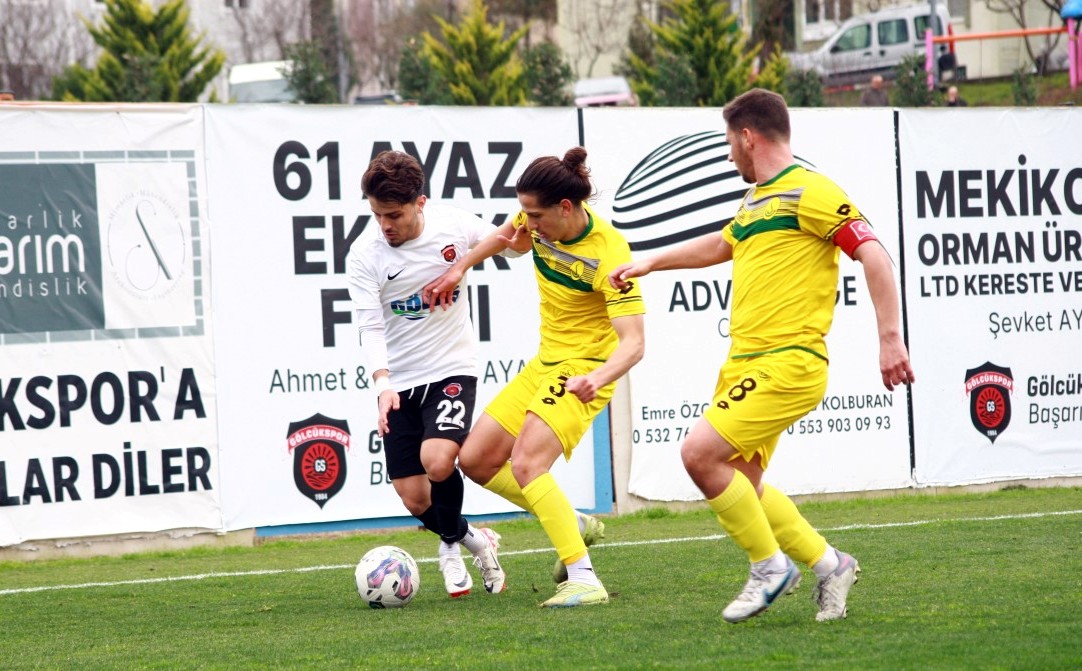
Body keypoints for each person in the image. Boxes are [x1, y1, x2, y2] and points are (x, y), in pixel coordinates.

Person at [609, 89, 914, 624]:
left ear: (748, 136)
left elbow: (874, 255)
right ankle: (829, 563)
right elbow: (722, 245)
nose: (730, 156)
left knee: (698, 455)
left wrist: (890, 338)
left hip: (789, 361)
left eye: (731, 144)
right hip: (746, 364)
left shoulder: (810, 190)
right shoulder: (756, 200)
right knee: (742, 484)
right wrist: (651, 262)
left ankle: (768, 567)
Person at [423, 147, 646, 608]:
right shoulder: (536, 218)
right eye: (525, 212)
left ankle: (584, 578)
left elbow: (634, 343)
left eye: (535, 215)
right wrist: (460, 267)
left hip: (584, 369)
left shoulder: (610, 253)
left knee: (527, 464)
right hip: (546, 363)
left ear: (566, 208)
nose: (528, 222)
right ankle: (571, 519)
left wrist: (598, 377)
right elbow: (509, 239)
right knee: (478, 459)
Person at [346, 150, 508, 598]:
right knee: (415, 498)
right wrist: (382, 385)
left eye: (393, 214)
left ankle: (450, 551)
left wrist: (461, 267)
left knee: (438, 460)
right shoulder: (365, 254)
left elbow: (515, 238)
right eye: (377, 215)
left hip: (451, 367)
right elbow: (370, 325)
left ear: (421, 202)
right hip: (400, 381)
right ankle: (473, 539)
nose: (385, 225)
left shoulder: (453, 224)